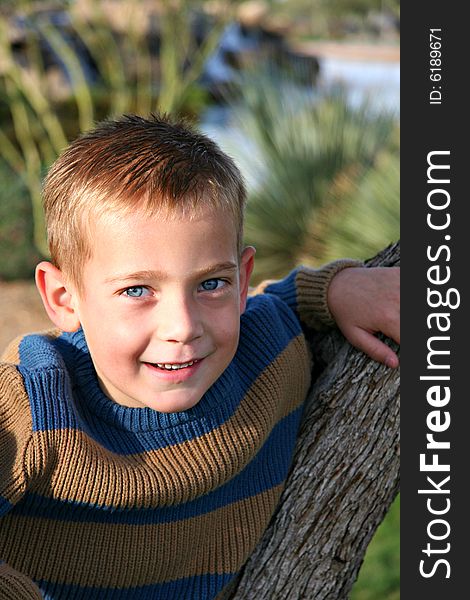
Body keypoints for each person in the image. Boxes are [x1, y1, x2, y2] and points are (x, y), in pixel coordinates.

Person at [0, 114, 399, 599]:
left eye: (211, 284)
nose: (183, 327)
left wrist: (334, 288)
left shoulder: (266, 351)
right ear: (64, 298)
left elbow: (275, 304)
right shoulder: (33, 406)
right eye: (137, 290)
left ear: (241, 280)